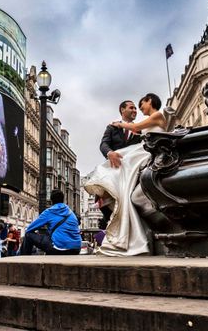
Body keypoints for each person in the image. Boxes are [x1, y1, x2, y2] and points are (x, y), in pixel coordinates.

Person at [84, 92, 167, 256]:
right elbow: (104, 144)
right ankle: (117, 236)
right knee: (112, 200)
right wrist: (110, 153)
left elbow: (140, 135)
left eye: (137, 107)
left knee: (130, 200)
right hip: (117, 167)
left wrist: (122, 124)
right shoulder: (112, 128)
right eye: (131, 107)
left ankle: (133, 238)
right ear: (122, 110)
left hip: (133, 166)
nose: (135, 109)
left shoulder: (139, 128)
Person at [19, 189, 81, 255]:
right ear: (63, 200)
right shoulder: (71, 213)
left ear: (51, 201)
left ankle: (23, 260)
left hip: (59, 248)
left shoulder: (50, 211)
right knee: (51, 237)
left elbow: (30, 228)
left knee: (28, 235)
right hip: (76, 249)